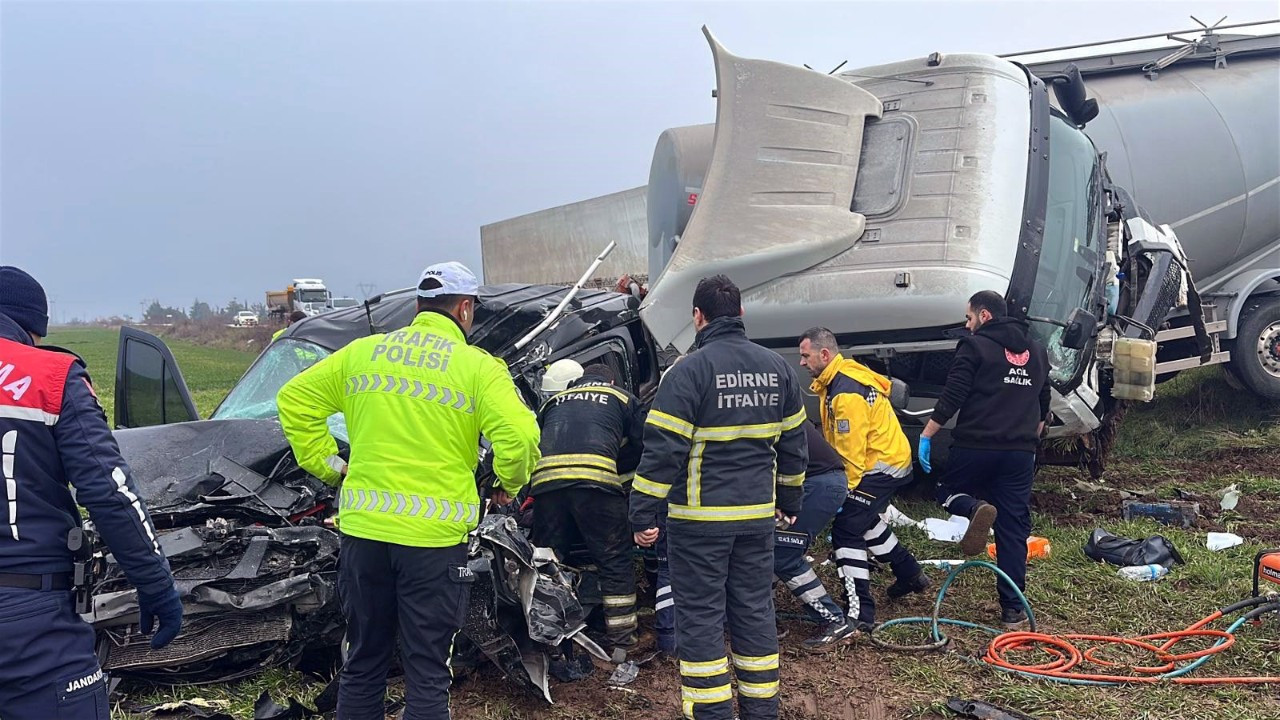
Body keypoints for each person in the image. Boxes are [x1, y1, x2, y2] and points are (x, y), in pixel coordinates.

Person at [277, 261, 540, 720]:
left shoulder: (363, 354)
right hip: (433, 546)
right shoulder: (478, 368)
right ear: (464, 309)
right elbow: (519, 439)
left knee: (363, 661)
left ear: (418, 306)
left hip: (364, 535)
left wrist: (335, 468)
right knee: (427, 672)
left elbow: (293, 401)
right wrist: (505, 482)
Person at [0, 266, 182, 720]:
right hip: (30, 619)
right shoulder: (50, 375)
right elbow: (110, 492)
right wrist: (156, 582)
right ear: (31, 328)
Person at [631, 275, 807, 720]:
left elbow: (663, 452)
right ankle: (762, 710)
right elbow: (794, 446)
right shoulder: (779, 368)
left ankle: (711, 712)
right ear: (741, 314)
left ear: (697, 317)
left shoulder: (688, 371)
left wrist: (642, 514)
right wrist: (790, 501)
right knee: (753, 610)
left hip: (699, 522)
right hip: (756, 520)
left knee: (703, 616)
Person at [917, 290, 1050, 629]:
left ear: (985, 316)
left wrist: (927, 434)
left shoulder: (975, 346)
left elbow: (954, 395)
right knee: (1013, 527)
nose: (967, 324)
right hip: (1019, 454)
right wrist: (1031, 434)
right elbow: (1044, 398)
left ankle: (974, 509)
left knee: (945, 491)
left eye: (969, 317)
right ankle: (1012, 610)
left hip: (976, 446)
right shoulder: (1036, 350)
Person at [799, 327, 930, 632]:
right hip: (886, 460)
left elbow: (851, 453)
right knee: (865, 519)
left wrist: (841, 492)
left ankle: (861, 613)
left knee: (847, 530)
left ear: (824, 354)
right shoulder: (840, 378)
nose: (802, 363)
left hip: (878, 467)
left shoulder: (845, 391)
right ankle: (910, 573)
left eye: (805, 356)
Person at [530, 363, 644, 650]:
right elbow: (646, 444)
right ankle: (622, 641)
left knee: (548, 561)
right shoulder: (621, 397)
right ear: (612, 379)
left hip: (547, 487)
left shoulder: (553, 402)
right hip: (596, 486)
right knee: (615, 560)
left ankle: (545, 638)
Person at [773, 422, 857, 650]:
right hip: (815, 481)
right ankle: (764, 617)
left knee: (782, 555)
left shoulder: (756, 409)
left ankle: (834, 620)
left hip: (817, 484)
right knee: (764, 547)